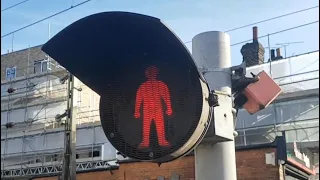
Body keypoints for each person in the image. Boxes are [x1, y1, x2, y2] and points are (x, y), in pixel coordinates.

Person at [134, 66, 172, 148]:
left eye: (153, 72)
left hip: (157, 109)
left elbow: (166, 97)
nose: (151, 74)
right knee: (146, 126)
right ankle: (145, 142)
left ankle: (162, 141)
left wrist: (169, 108)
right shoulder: (143, 86)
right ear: (147, 74)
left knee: (159, 125)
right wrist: (136, 111)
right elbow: (138, 100)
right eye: (150, 72)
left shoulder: (160, 85)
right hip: (147, 110)